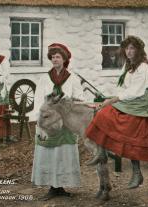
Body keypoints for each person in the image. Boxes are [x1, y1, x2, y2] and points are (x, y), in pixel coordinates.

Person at [85, 36, 148, 189]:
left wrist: (114, 99)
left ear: (138, 50)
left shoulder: (143, 66)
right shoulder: (128, 66)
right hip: (129, 99)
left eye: (132, 48)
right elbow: (122, 87)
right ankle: (101, 152)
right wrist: (112, 97)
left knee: (128, 125)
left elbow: (136, 91)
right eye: (127, 48)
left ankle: (136, 172)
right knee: (103, 114)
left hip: (142, 99)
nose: (129, 51)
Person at [31, 43, 86, 200]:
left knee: (63, 153)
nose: (55, 59)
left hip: (65, 123)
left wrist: (66, 101)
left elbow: (80, 99)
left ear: (64, 59)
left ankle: (60, 186)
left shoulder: (73, 79)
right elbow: (38, 100)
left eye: (58, 57)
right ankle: (51, 187)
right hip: (49, 123)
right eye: (53, 57)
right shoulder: (44, 79)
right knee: (49, 153)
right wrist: (38, 119)